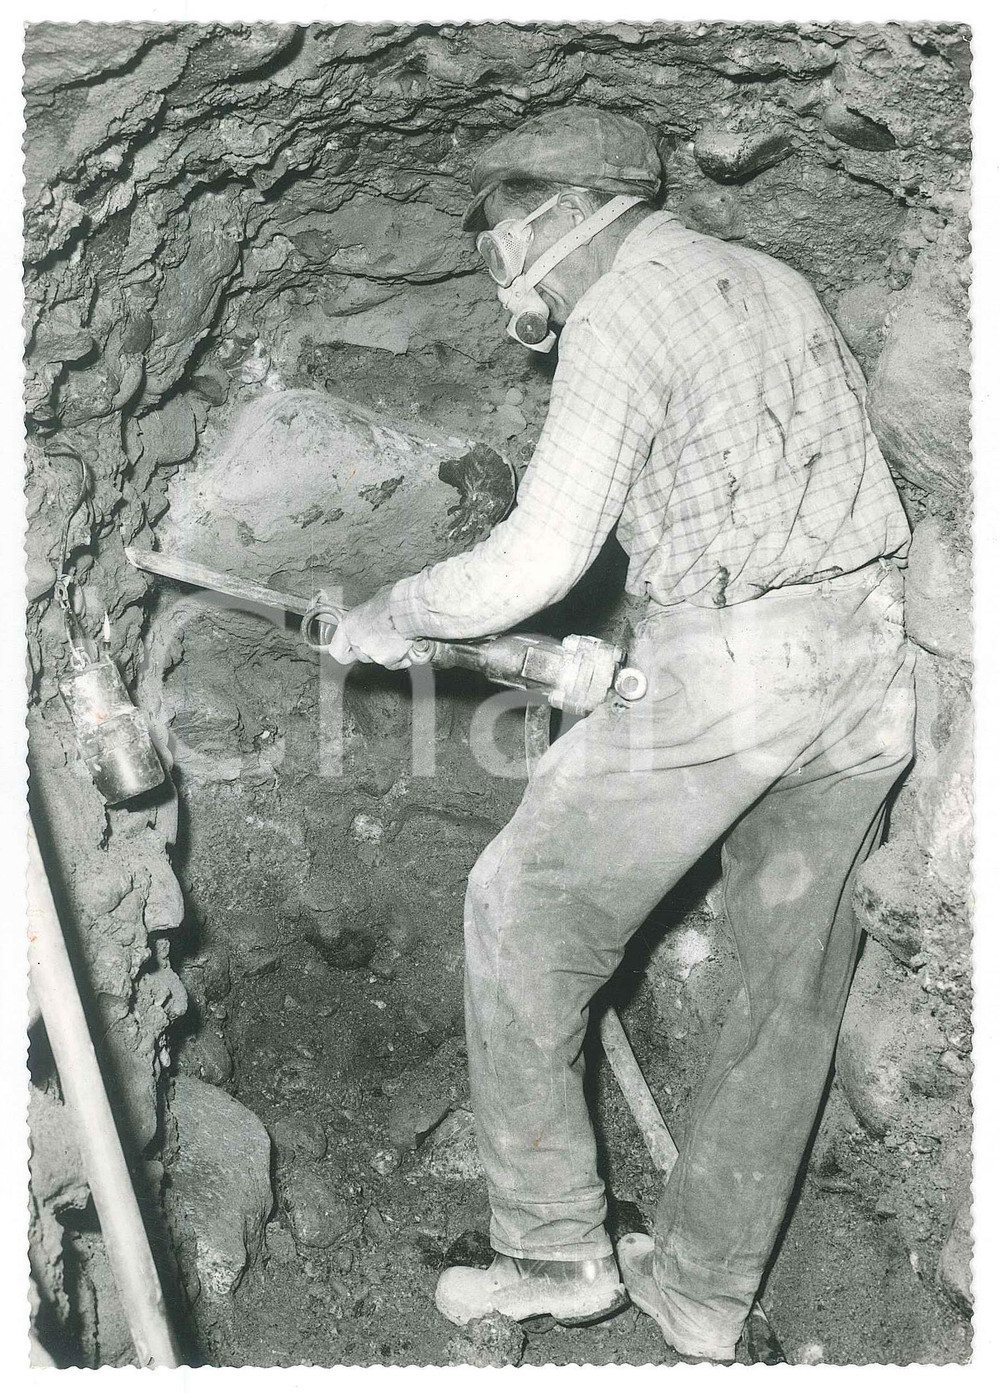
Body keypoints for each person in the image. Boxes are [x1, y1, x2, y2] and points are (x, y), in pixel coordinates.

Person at [327, 106, 916, 1362]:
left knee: (518, 911)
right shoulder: (769, 277)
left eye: (496, 238)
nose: (499, 276)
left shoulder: (619, 313)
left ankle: (551, 1251)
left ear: (556, 215)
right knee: (785, 990)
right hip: (868, 663)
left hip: (738, 668)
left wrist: (393, 612)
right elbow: (752, 490)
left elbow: (535, 559)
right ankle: (703, 1293)